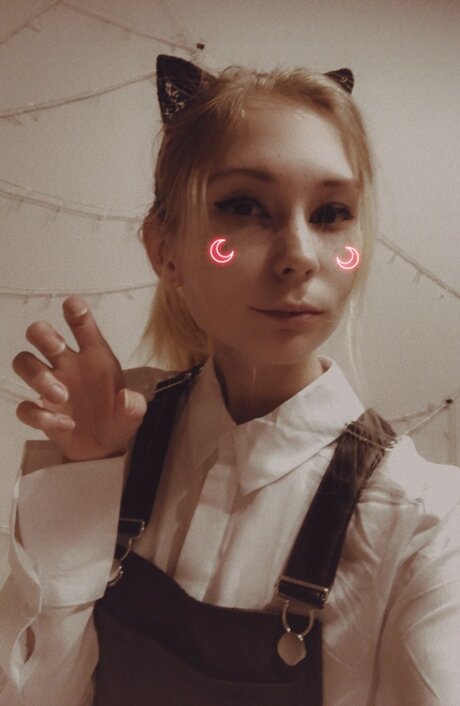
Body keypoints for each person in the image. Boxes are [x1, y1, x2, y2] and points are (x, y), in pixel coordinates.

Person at [0, 54, 459, 706]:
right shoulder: (116, 434)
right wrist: (82, 477)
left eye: (332, 213)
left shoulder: (422, 522)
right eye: (245, 206)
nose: (300, 256)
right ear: (165, 250)